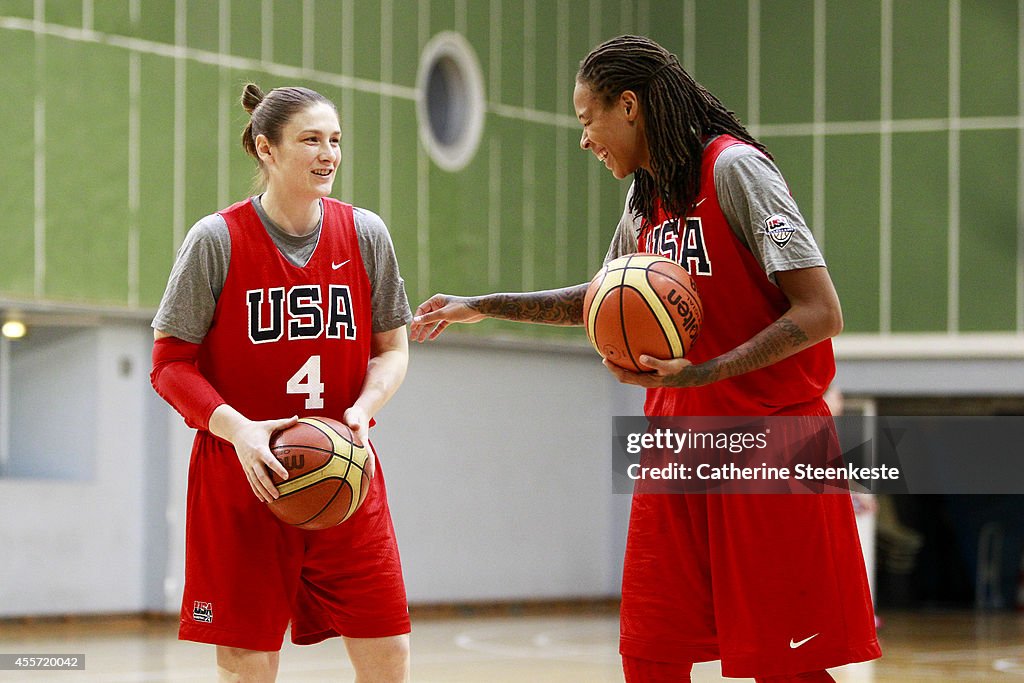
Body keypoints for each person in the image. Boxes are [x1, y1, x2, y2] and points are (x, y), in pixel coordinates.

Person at [411, 35, 880, 682]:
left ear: (627, 105)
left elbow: (821, 312)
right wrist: (485, 303)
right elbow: (604, 295)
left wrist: (704, 372)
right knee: (651, 653)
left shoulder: (735, 170)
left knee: (783, 666)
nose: (583, 139)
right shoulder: (645, 199)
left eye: (587, 120)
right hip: (677, 443)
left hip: (770, 439)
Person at [151, 84, 412, 682]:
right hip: (244, 477)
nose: (328, 154)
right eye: (311, 140)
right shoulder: (216, 239)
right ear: (266, 150)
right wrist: (238, 430)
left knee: (389, 648)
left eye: (335, 141)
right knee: (248, 663)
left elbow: (392, 349)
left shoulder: (366, 234)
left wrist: (365, 408)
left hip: (345, 470)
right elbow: (169, 365)